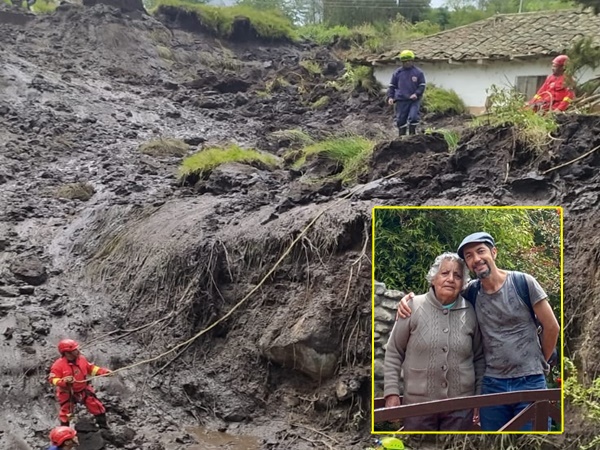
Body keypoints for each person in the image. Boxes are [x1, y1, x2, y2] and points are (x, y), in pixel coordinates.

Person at [396, 232, 560, 431]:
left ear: (494, 252)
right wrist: (408, 300)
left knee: (533, 439)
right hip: (492, 385)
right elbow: (441, 295)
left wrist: (540, 359)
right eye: (469, 256)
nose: (476, 259)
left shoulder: (523, 282)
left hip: (530, 381)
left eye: (480, 251)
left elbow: (552, 327)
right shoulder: (472, 292)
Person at [383, 253, 485, 431]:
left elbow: (479, 359)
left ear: (463, 283)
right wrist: (391, 393)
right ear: (433, 278)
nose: (451, 279)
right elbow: (394, 352)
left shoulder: (471, 312)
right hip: (417, 407)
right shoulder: (412, 307)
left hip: (461, 408)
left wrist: (477, 399)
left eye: (458, 275)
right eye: (445, 273)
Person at [48, 339, 113, 429]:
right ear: (67, 353)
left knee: (96, 405)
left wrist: (104, 372)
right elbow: (52, 379)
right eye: (74, 350)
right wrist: (63, 381)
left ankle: (103, 427)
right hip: (67, 393)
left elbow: (91, 368)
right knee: (67, 413)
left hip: (83, 389)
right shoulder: (58, 365)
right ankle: (65, 431)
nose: (77, 351)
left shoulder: (81, 359)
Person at [386, 50, 426, 137]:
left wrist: (416, 94)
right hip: (401, 100)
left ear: (412, 61)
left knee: (413, 117)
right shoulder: (397, 73)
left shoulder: (418, 72)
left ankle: (412, 136)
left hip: (414, 100)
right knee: (401, 120)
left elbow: (422, 85)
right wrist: (390, 97)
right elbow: (392, 86)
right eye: (405, 61)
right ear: (402, 62)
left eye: (409, 61)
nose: (407, 63)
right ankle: (401, 137)